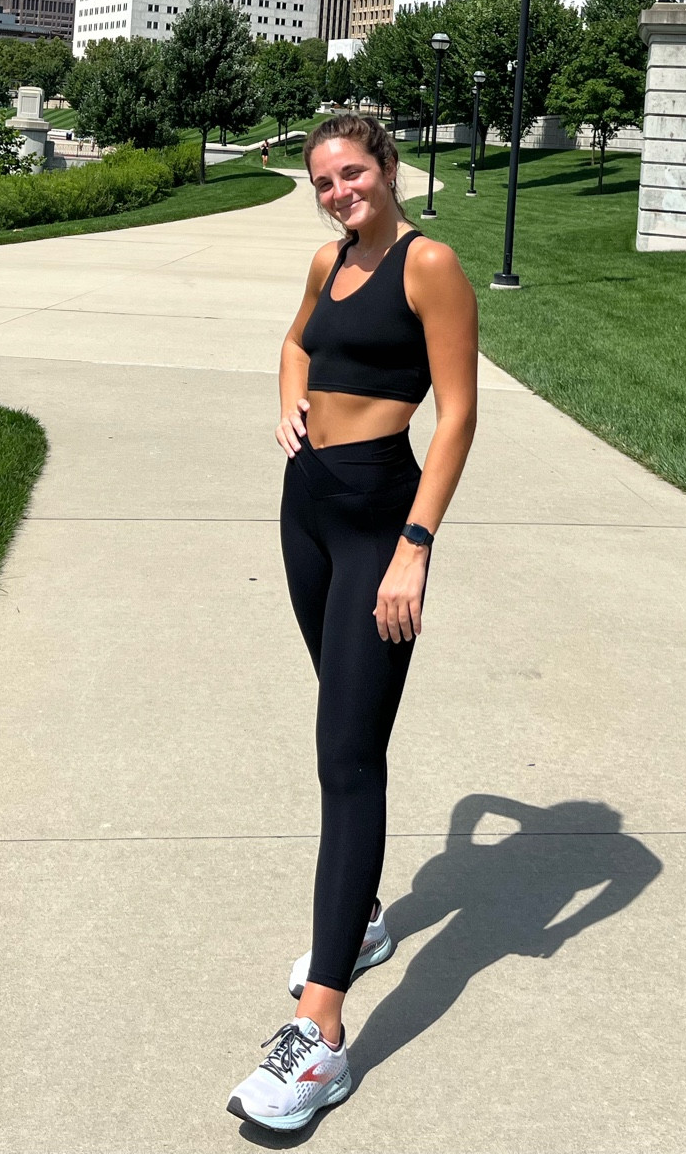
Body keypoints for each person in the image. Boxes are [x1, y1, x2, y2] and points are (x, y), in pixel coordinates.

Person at [227, 113, 479, 1132]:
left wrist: (416, 544)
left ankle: (321, 1031)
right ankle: (363, 918)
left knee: (347, 757)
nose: (340, 192)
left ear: (388, 167)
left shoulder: (430, 265)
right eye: (325, 180)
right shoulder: (327, 260)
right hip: (307, 511)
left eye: (354, 173)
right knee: (342, 720)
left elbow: (458, 414)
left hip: (381, 516)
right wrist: (288, 399)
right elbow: (296, 341)